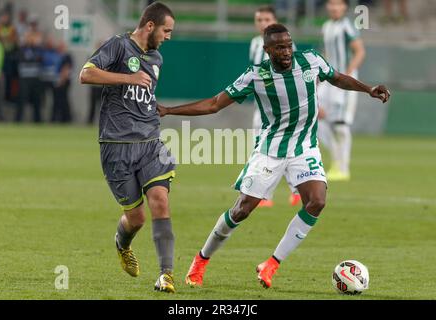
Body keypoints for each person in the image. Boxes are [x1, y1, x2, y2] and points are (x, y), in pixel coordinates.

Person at [158, 24, 390, 289]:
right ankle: (200, 261)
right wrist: (169, 111)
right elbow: (213, 104)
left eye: (289, 45)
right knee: (241, 210)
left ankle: (271, 264)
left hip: (304, 147)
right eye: (280, 47)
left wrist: (368, 89)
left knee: (317, 201)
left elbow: (336, 77)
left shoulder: (311, 60)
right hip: (270, 151)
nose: (287, 51)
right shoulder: (256, 76)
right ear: (267, 50)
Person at [79, 2, 177, 293]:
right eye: (166, 30)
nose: (168, 37)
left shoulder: (156, 57)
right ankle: (122, 244)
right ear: (150, 26)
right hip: (116, 145)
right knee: (137, 218)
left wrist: (151, 106)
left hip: (149, 141)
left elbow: (141, 93)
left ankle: (166, 274)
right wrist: (127, 77)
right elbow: (86, 74)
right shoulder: (118, 46)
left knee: (160, 199)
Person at [250, 5, 301, 208]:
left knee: (285, 150)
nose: (263, 23)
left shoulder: (286, 45)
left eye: (267, 19)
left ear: (275, 21)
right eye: (259, 20)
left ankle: (296, 191)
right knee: (260, 151)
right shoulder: (255, 44)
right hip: (261, 109)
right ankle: (264, 195)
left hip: (283, 110)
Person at [317, 0, 366, 181]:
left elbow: (359, 51)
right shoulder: (326, 26)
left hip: (344, 81)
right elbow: (326, 53)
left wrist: (348, 73)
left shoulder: (348, 26)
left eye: (338, 4)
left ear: (344, 7)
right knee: (315, 116)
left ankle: (343, 168)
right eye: (331, 4)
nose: (334, 7)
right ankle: (336, 159)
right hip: (329, 79)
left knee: (340, 124)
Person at [16, 32, 43, 122]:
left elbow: (40, 59)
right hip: (24, 78)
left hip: (35, 78)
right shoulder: (22, 49)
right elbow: (23, 59)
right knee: (22, 99)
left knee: (37, 100)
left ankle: (37, 120)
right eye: (29, 38)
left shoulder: (38, 49)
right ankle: (18, 119)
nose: (31, 40)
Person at [52, 40, 73, 123]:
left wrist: (61, 81)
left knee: (63, 100)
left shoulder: (67, 56)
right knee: (58, 100)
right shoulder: (58, 56)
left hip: (63, 81)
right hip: (58, 80)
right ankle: (59, 118)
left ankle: (66, 118)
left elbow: (66, 69)